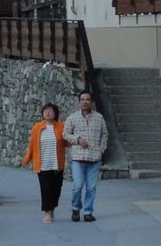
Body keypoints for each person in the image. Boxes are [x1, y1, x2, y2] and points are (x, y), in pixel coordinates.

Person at [64, 89, 108, 222]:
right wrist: (77, 140)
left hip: (94, 159)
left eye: (87, 99)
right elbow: (65, 135)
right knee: (77, 186)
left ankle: (88, 211)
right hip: (78, 158)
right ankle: (75, 208)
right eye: (82, 99)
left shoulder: (99, 117)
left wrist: (101, 149)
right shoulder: (72, 117)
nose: (85, 102)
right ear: (79, 102)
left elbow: (105, 135)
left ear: (92, 102)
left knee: (91, 188)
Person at [21, 102, 66, 223]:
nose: (48, 112)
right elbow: (32, 146)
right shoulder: (37, 127)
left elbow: (67, 142)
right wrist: (26, 159)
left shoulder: (62, 126)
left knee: (57, 189)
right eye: (45, 110)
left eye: (50, 110)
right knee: (46, 189)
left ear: (55, 113)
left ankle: (52, 208)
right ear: (42, 113)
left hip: (57, 165)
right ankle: (47, 212)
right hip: (43, 165)